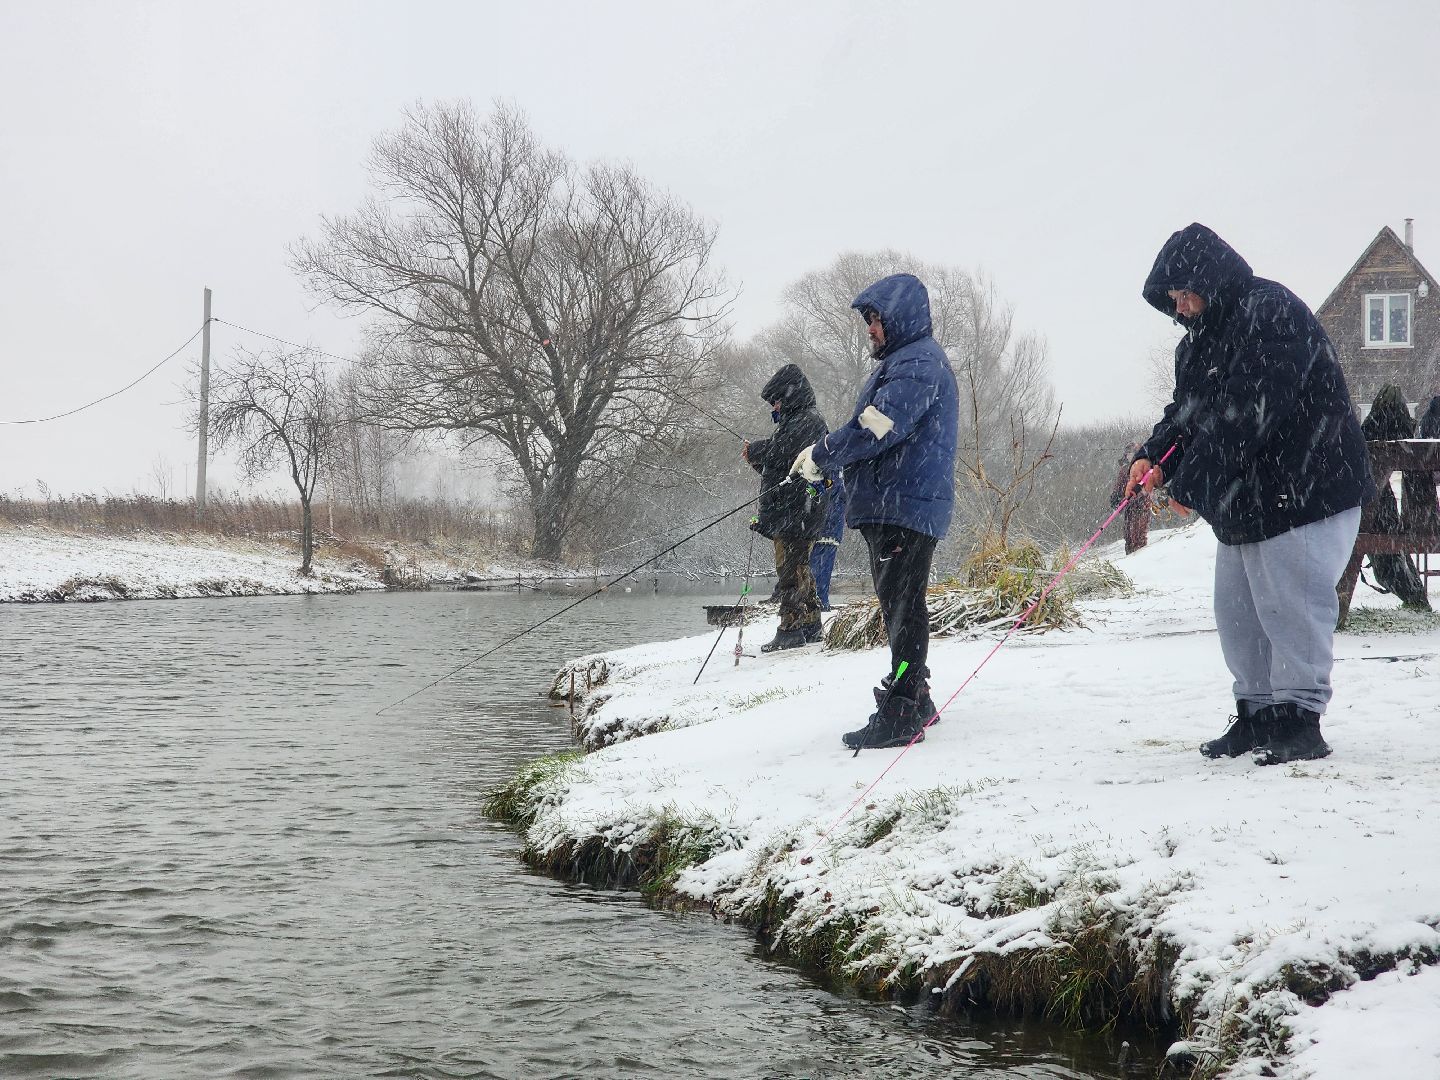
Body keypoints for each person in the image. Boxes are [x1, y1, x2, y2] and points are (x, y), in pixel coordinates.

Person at [1125, 223, 1375, 765]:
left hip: (1308, 491)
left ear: (1210, 280)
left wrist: (1194, 485)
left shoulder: (1271, 313)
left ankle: (1300, 720)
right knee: (1237, 611)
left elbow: (1247, 413)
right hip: (1249, 501)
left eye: (1185, 293)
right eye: (1172, 300)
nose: (1181, 308)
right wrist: (1155, 457)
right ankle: (1259, 715)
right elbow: (1188, 415)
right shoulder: (1196, 345)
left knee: (1292, 606)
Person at [791, 273, 958, 749]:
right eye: (868, 319)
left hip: (903, 505)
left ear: (899, 318)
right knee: (901, 606)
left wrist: (823, 452)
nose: (870, 328)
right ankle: (915, 695)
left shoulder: (917, 364)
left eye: (875, 318)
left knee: (904, 610)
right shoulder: (906, 361)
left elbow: (875, 428)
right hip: (896, 504)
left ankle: (903, 707)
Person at [744, 363, 829, 651]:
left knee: (790, 572)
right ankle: (811, 624)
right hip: (796, 509)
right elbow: (782, 468)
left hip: (798, 511)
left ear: (789, 395)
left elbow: (782, 455)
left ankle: (790, 628)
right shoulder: (800, 422)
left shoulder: (805, 422)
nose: (775, 407)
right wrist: (758, 457)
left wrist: (756, 451)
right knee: (800, 568)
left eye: (777, 400)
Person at [810, 471, 846, 610]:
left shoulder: (820, 469)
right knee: (824, 568)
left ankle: (817, 601)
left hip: (818, 527)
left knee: (813, 567)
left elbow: (814, 494)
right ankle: (822, 601)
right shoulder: (842, 472)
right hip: (833, 528)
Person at [1108, 440, 1151, 554]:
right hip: (1129, 507)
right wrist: (1116, 497)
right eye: (1128, 454)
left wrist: (1135, 497)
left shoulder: (1143, 467)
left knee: (1138, 535)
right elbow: (1120, 485)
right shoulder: (1125, 470)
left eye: (1132, 453)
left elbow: (1147, 488)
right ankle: (1131, 556)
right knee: (1129, 536)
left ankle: (1139, 557)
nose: (1129, 456)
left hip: (1140, 507)